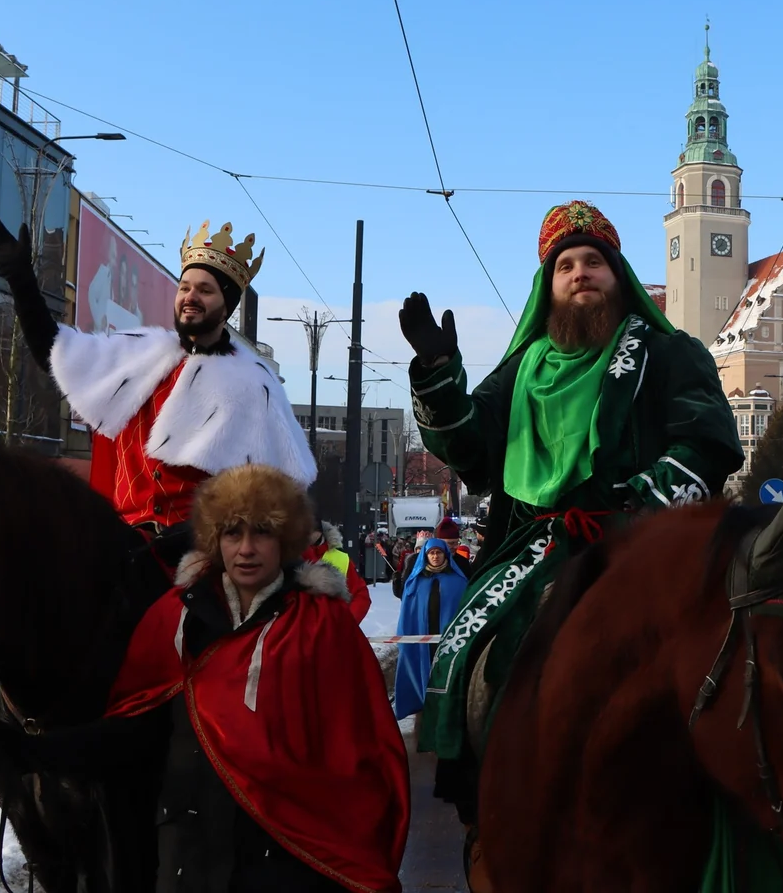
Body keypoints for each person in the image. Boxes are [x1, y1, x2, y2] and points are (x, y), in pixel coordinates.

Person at [399, 200, 742, 877]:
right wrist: (439, 375)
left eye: (594, 262)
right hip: (533, 548)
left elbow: (707, 442)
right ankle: (486, 811)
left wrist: (640, 506)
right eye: (566, 265)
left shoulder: (671, 353)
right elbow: (471, 450)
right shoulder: (520, 369)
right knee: (473, 654)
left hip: (645, 543)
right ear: (547, 285)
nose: (581, 273)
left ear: (619, 277)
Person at [1, 465, 411, 892]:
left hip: (289, 858)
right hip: (186, 857)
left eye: (263, 533)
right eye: (233, 533)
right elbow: (137, 731)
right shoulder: (175, 618)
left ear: (286, 540)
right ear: (215, 540)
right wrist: (44, 752)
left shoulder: (323, 627)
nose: (246, 549)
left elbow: (360, 753)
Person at [0, 218, 314, 541]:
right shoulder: (136, 353)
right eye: (185, 287)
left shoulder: (255, 384)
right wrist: (20, 279)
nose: (190, 297)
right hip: (122, 543)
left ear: (226, 307)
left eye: (205, 290)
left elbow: (279, 491)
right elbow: (53, 350)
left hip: (201, 551)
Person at [393, 538, 469, 720]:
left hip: (448, 639)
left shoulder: (458, 581)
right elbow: (407, 612)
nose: (435, 556)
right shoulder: (415, 581)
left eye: (439, 552)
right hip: (421, 638)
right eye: (431, 553)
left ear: (445, 555)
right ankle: (423, 706)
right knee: (421, 672)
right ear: (425, 556)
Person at [309, 522, 371, 623]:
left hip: (333, 632)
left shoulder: (340, 558)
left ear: (319, 531)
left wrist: (346, 624)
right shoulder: (286, 557)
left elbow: (361, 596)